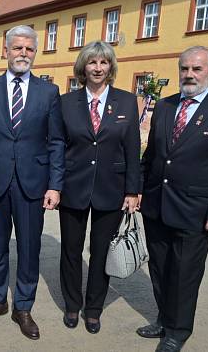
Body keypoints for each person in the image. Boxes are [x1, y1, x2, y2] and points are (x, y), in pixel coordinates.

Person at [138, 46, 208, 352]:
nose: (189, 75)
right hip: (157, 204)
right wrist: (138, 191)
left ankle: (178, 330)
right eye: (184, 68)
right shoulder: (165, 106)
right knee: (159, 267)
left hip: (195, 210)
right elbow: (153, 155)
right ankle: (163, 318)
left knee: (184, 273)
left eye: (197, 69)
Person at [0, 25, 65, 340]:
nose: (23, 54)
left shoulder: (49, 92)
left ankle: (23, 306)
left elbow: (56, 142)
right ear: (6, 50)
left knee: (29, 248)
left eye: (28, 49)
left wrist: (55, 185)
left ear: (35, 52)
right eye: (17, 48)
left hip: (33, 183)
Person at [58, 41, 140, 334]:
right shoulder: (66, 102)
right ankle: (71, 304)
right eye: (92, 62)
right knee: (70, 249)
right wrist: (54, 186)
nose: (97, 68)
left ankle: (93, 309)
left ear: (110, 67)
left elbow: (132, 149)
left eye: (103, 62)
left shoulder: (127, 101)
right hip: (73, 186)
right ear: (83, 67)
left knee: (101, 252)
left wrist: (133, 190)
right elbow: (57, 146)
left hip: (112, 188)